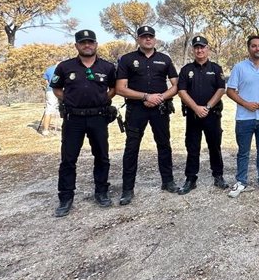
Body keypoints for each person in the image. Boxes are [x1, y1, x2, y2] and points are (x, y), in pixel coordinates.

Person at [50, 30, 116, 217]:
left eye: (90, 42)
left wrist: (103, 98)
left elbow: (113, 88)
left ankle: (101, 192)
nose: (87, 45)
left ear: (96, 44)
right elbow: (56, 88)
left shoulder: (108, 67)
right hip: (74, 119)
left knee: (102, 156)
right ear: (76, 45)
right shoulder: (65, 66)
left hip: (98, 117)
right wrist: (71, 100)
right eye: (83, 42)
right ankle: (65, 197)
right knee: (69, 159)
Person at [115, 26, 179, 205]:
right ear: (138, 39)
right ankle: (127, 189)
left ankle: (168, 182)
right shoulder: (127, 59)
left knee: (164, 145)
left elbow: (176, 85)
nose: (147, 39)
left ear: (155, 39)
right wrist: (145, 96)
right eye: (144, 37)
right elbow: (120, 88)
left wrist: (160, 98)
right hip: (136, 110)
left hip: (160, 109)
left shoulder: (165, 59)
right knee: (131, 148)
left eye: (150, 36)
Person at [226, 35, 259, 197]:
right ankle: (241, 181)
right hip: (244, 118)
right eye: (254, 46)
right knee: (243, 151)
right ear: (248, 48)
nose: (257, 49)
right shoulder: (239, 67)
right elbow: (230, 90)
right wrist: (245, 104)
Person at [176, 36, 229, 195]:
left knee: (214, 146)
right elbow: (181, 91)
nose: (199, 50)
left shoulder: (216, 68)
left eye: (202, 47)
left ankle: (218, 175)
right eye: (196, 47)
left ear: (208, 49)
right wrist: (196, 108)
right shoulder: (186, 70)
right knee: (192, 147)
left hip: (212, 114)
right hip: (193, 116)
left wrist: (206, 107)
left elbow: (221, 89)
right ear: (193, 49)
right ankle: (191, 179)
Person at [41, 63, 60, 136]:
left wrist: (49, 86)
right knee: (50, 109)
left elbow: (46, 80)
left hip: (50, 90)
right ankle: (45, 130)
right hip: (58, 90)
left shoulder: (49, 69)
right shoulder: (64, 68)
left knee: (49, 109)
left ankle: (45, 130)